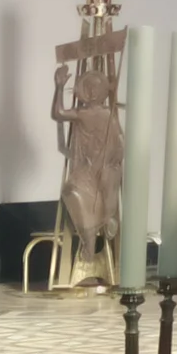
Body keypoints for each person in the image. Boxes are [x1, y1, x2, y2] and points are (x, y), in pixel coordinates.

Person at [52, 64, 124, 264]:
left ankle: (108, 219)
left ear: (103, 92)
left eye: (96, 88)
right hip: (85, 169)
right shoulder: (81, 113)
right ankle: (89, 243)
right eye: (88, 87)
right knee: (72, 192)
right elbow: (58, 113)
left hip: (104, 168)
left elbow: (120, 143)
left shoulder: (108, 115)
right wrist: (59, 87)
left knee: (107, 185)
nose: (92, 91)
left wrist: (113, 157)